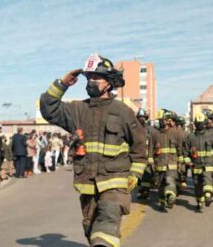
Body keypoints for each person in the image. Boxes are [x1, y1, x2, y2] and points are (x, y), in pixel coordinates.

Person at [39, 54, 147, 247]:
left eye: (96, 77)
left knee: (106, 225)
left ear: (109, 83)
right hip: (87, 183)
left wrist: (135, 174)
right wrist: (62, 84)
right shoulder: (77, 109)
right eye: (89, 78)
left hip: (115, 182)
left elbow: (139, 146)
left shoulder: (122, 111)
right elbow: (49, 109)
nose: (91, 82)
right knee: (91, 229)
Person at [183, 113, 213, 210]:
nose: (200, 125)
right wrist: (188, 161)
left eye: (202, 123)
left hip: (208, 164)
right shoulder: (190, 137)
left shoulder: (210, 136)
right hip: (195, 166)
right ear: (195, 124)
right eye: (198, 124)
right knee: (197, 186)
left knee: (207, 180)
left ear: (205, 124)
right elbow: (185, 152)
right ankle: (200, 202)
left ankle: (208, 196)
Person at [151, 109, 182, 210]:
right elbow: (150, 150)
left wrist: (181, 162)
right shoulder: (155, 134)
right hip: (159, 164)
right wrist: (151, 162)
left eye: (163, 120)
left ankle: (171, 196)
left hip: (171, 164)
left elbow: (180, 149)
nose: (161, 122)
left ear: (168, 120)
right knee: (161, 185)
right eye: (159, 120)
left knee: (170, 180)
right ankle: (163, 201)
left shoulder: (175, 133)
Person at [136, 108, 156, 200]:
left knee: (147, 175)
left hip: (148, 157)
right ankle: (142, 190)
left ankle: (145, 191)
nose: (141, 119)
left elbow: (155, 143)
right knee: (138, 176)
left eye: (143, 117)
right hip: (136, 157)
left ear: (146, 118)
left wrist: (152, 156)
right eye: (140, 117)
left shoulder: (151, 130)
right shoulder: (134, 129)